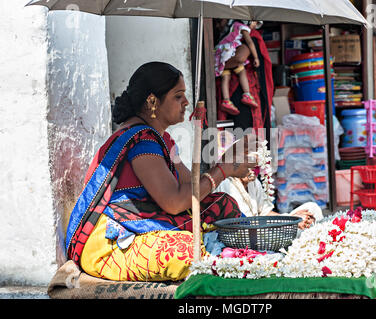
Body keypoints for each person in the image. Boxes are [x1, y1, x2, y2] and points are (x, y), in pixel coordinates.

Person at [65, 62, 258, 282]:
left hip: (147, 219)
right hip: (113, 240)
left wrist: (225, 164)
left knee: (223, 204)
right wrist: (222, 170)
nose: (186, 102)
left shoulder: (164, 140)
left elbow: (191, 190)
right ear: (152, 101)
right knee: (184, 251)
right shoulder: (142, 140)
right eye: (178, 96)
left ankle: (243, 254)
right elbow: (174, 202)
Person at [215, 20, 262, 115]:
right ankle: (247, 94)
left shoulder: (232, 26)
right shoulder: (243, 28)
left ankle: (226, 100)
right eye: (255, 23)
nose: (255, 26)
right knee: (241, 70)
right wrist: (256, 57)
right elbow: (250, 42)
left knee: (225, 76)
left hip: (221, 52)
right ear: (248, 21)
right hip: (229, 50)